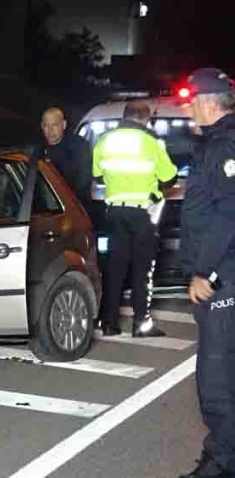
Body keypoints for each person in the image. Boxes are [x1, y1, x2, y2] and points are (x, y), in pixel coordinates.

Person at [178, 67, 235, 478]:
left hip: (223, 278)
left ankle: (222, 464)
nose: (188, 109)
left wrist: (205, 273)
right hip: (223, 274)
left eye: (191, 101)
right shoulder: (214, 143)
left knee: (215, 383)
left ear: (208, 102)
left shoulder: (226, 146)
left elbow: (228, 216)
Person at [93, 100, 177, 338]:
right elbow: (169, 177)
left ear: (125, 116)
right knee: (143, 270)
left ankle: (109, 323)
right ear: (144, 119)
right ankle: (141, 324)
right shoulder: (150, 143)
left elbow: (97, 173)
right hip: (142, 214)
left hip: (114, 213)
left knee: (114, 268)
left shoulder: (105, 140)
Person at [40, 107, 94, 213]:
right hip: (46, 212)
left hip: (76, 210)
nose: (50, 130)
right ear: (42, 126)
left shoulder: (79, 147)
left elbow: (83, 182)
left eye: (55, 125)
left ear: (64, 125)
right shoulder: (37, 151)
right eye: (46, 126)